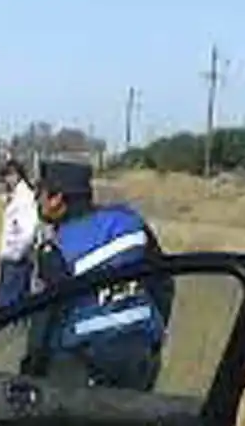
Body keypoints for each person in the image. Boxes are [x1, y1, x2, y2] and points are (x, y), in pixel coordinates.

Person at [25, 160, 174, 391]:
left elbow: (46, 317)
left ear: (57, 199)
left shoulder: (55, 249)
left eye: (39, 194)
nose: (36, 200)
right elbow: (163, 283)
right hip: (140, 356)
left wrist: (31, 368)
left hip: (83, 364)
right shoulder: (130, 223)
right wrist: (154, 335)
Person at [0, 159, 39, 310]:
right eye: (4, 176)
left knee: (5, 305)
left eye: (9, 175)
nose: (6, 180)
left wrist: (16, 254)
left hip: (17, 258)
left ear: (17, 175)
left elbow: (28, 230)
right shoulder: (16, 195)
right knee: (19, 303)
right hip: (13, 256)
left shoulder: (24, 198)